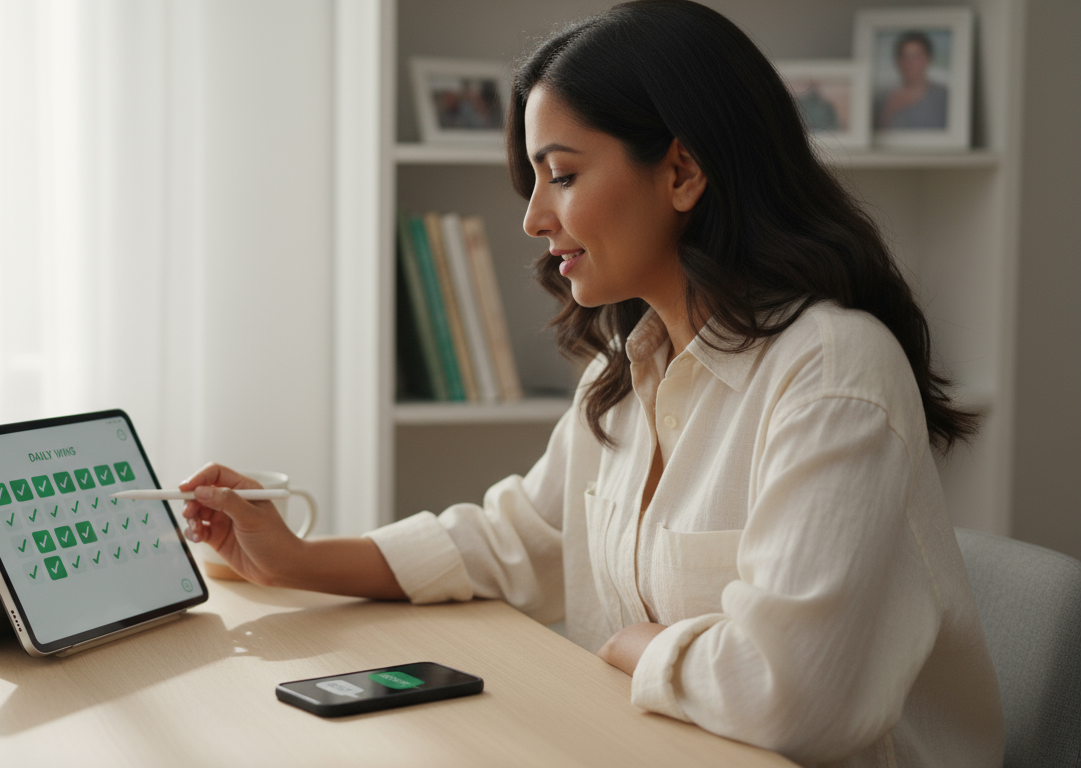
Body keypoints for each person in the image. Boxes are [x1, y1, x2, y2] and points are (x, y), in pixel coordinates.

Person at [179, 2, 1003, 765]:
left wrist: (642, 649)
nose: (535, 218)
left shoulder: (831, 370)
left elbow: (795, 694)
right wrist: (295, 558)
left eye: (562, 175)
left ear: (682, 171)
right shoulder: (626, 370)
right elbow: (517, 542)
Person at [877, 30, 950, 130]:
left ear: (928, 58)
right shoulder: (883, 99)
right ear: (897, 61)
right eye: (905, 57)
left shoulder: (944, 97)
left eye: (916, 56)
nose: (910, 63)